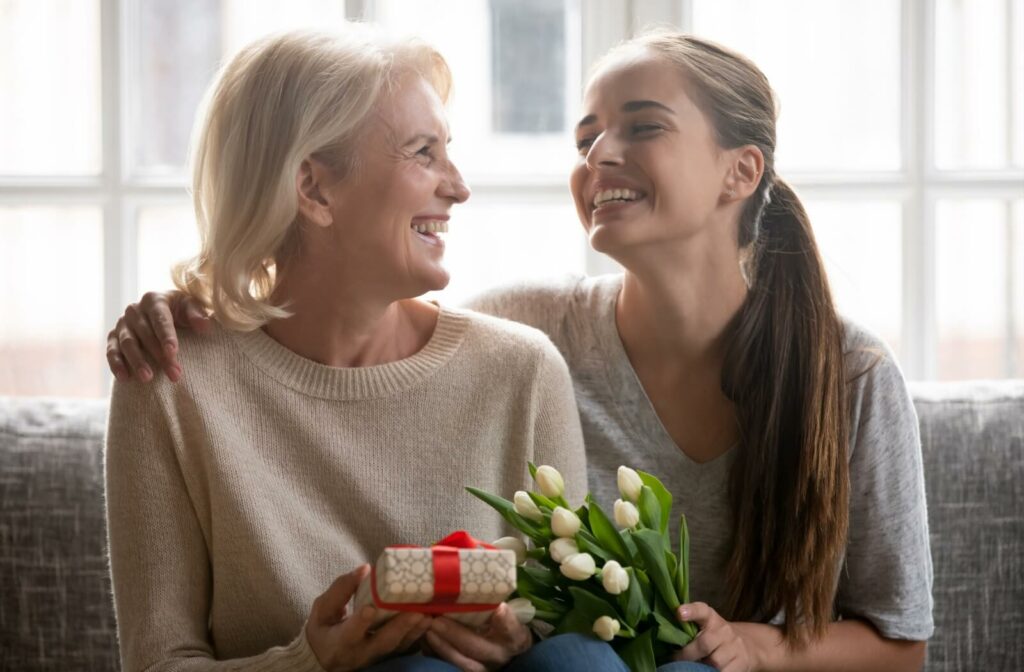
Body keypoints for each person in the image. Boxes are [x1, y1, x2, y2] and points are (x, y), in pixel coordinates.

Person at [106, 28, 933, 672]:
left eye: (641, 127)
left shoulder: (845, 374)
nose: (598, 157)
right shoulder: (528, 331)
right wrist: (205, 300)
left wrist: (754, 647)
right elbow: (343, 335)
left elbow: (903, 645)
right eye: (585, 139)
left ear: (739, 171)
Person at [103, 27, 589, 672]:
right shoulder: (169, 379)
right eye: (423, 153)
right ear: (313, 189)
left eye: (448, 151)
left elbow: (573, 611)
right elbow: (159, 662)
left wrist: (523, 639)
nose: (458, 186)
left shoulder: (521, 370)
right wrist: (311, 662)